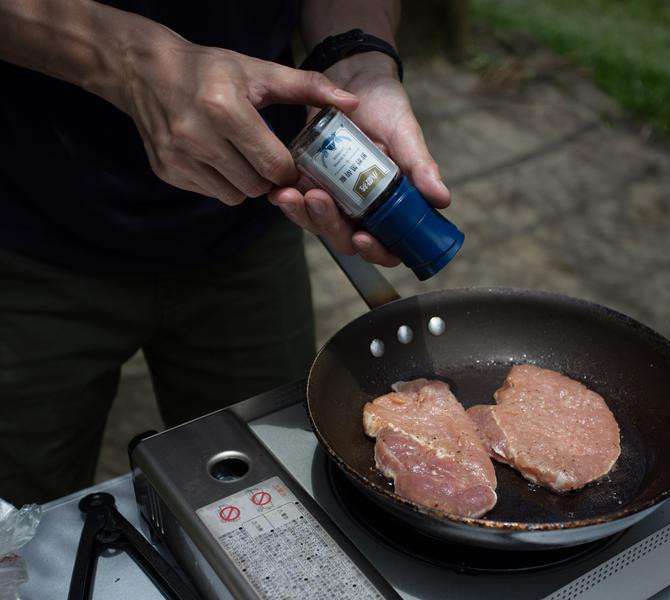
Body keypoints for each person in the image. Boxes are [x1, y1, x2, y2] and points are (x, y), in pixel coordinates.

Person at [0, 0, 451, 507]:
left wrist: (357, 60)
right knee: (18, 525)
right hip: (27, 234)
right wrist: (133, 62)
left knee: (278, 484)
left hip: (250, 231)